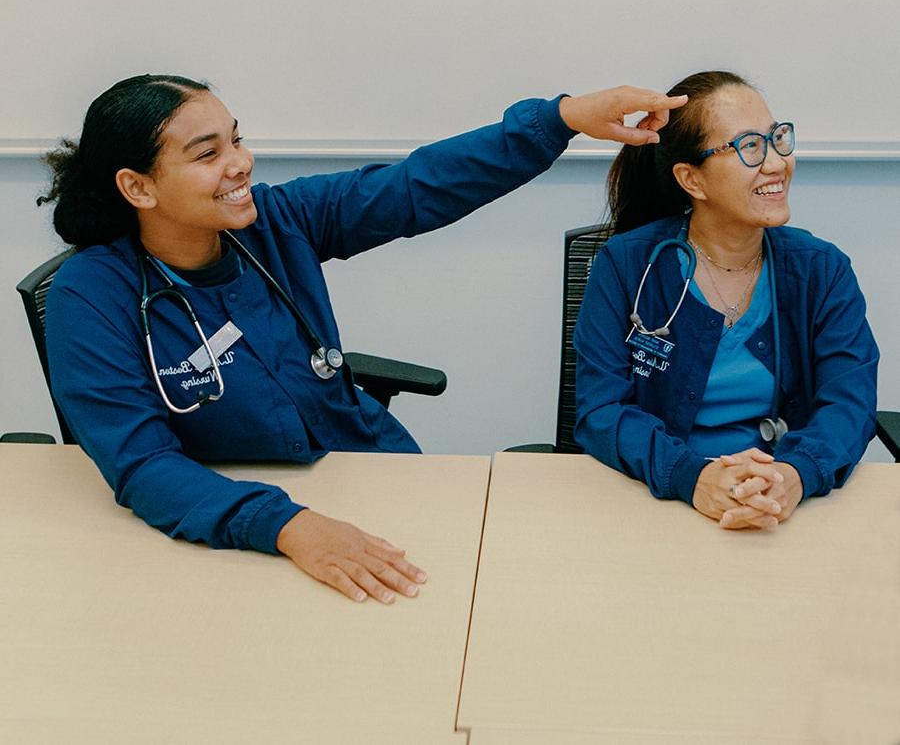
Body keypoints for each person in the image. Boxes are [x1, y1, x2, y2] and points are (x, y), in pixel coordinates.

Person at [41, 73, 686, 601]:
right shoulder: (92, 296)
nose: (241, 164)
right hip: (238, 525)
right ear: (138, 186)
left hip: (371, 475)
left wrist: (562, 118)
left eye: (237, 140)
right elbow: (143, 464)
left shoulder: (276, 222)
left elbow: (415, 188)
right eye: (208, 154)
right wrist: (289, 526)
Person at [573, 70, 879, 531]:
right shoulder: (627, 265)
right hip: (655, 504)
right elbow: (601, 412)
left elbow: (849, 403)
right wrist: (692, 478)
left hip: (780, 507)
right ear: (691, 180)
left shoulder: (822, 270)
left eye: (777, 139)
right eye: (750, 147)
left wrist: (793, 475)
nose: (776, 163)